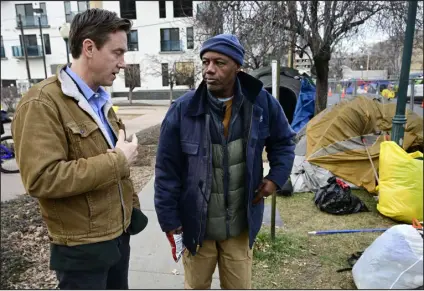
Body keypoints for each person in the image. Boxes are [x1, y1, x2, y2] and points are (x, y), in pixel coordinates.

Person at [11, 9, 147, 289]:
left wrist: (130, 207)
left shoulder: (99, 99)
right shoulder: (41, 103)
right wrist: (118, 160)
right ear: (89, 48)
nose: (123, 63)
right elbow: (41, 178)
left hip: (117, 236)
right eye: (117, 52)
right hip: (83, 250)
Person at [154, 34, 296, 289]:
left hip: (240, 227)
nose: (209, 69)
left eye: (219, 62)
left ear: (237, 66)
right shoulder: (182, 110)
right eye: (206, 62)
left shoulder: (261, 103)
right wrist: (170, 221)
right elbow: (166, 170)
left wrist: (275, 179)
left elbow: (284, 142)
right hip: (197, 227)